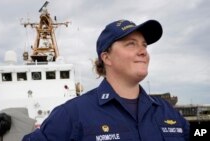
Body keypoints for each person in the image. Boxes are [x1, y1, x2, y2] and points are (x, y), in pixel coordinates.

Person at [23, 19, 190, 141]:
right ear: (106, 57)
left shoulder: (167, 111)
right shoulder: (72, 115)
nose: (143, 51)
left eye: (144, 45)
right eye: (131, 44)